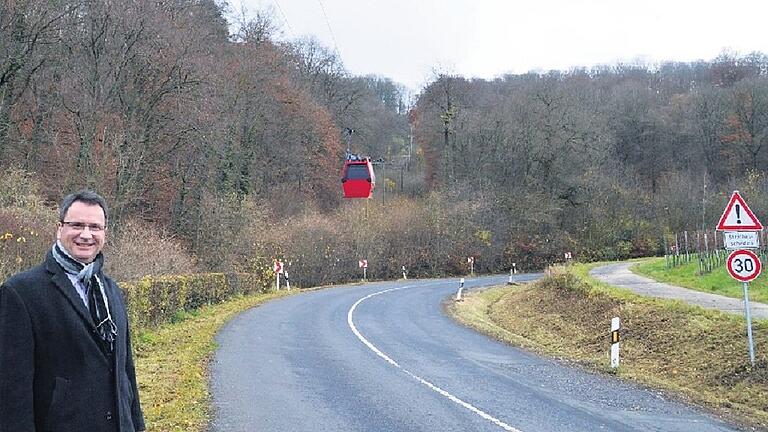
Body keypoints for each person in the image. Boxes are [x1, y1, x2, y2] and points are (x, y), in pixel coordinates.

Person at [0, 189, 145, 432]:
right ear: (60, 228)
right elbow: (11, 390)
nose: (86, 235)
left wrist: (136, 424)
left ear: (104, 234)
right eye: (77, 225)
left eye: (95, 227)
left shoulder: (111, 291)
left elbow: (125, 370)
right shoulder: (21, 292)